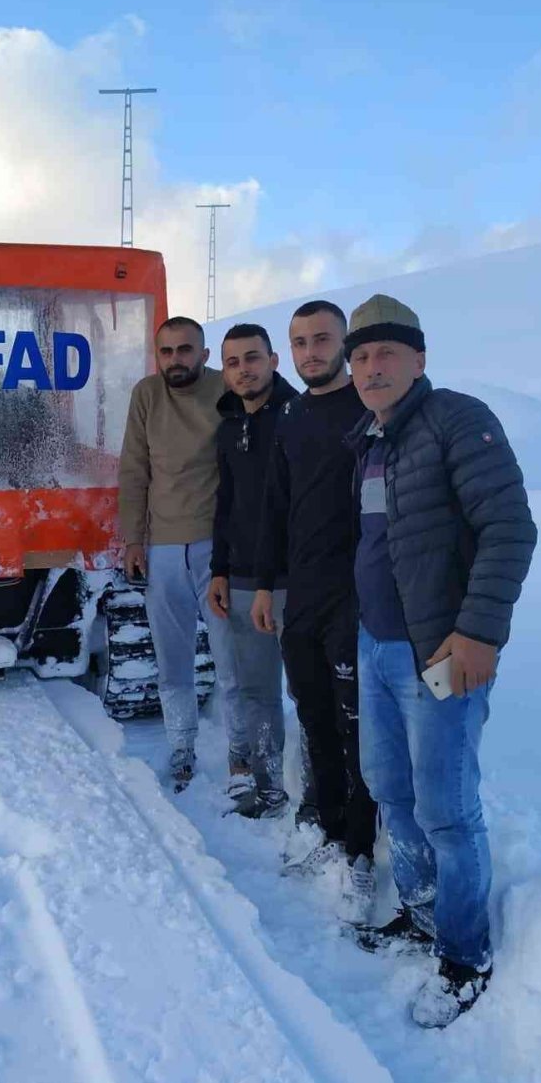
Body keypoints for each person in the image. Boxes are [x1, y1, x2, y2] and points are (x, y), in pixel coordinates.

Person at [344, 294, 537, 1028]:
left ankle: (464, 954)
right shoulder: (369, 440)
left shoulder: (456, 419)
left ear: (419, 358)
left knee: (447, 809)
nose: (372, 366)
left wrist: (480, 632)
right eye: (361, 356)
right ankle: (422, 910)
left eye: (386, 352)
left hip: (443, 652)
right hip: (376, 645)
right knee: (388, 786)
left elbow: (510, 529)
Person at [251, 300, 378, 920]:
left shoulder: (371, 414)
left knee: (358, 735)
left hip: (356, 602)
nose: (309, 353)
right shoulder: (293, 416)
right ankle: (330, 832)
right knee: (317, 725)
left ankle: (361, 855)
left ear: (345, 344)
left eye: (321, 340)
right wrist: (269, 587)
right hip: (301, 599)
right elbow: (276, 509)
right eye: (299, 343)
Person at [118, 315, 246, 791]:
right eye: (167, 351)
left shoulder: (225, 390)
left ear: (205, 354)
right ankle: (182, 748)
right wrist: (133, 538)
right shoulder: (146, 395)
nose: (176, 359)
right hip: (163, 549)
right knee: (172, 662)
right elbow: (134, 470)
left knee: (229, 659)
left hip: (217, 549)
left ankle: (240, 756)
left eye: (186, 349)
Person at [207, 323, 298, 818]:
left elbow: (295, 510)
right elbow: (227, 504)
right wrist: (220, 570)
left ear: (273, 361)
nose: (244, 369)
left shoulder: (297, 418)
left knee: (310, 695)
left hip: (292, 581)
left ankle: (324, 803)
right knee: (256, 691)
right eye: (234, 362)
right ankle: (269, 789)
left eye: (253, 358)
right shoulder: (228, 427)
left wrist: (270, 580)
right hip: (240, 580)